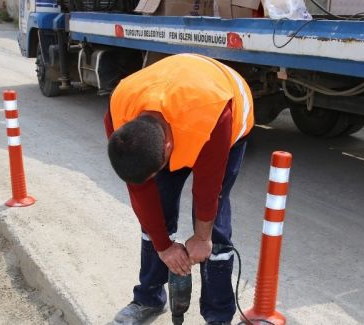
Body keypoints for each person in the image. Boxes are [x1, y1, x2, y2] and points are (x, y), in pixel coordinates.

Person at [104, 53, 254, 325]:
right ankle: (148, 298)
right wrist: (164, 247)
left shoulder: (213, 114)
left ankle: (218, 316)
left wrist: (201, 238)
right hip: (178, 106)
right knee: (156, 214)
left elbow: (208, 189)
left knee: (215, 230)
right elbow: (140, 191)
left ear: (168, 151)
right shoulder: (120, 114)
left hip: (221, 107)